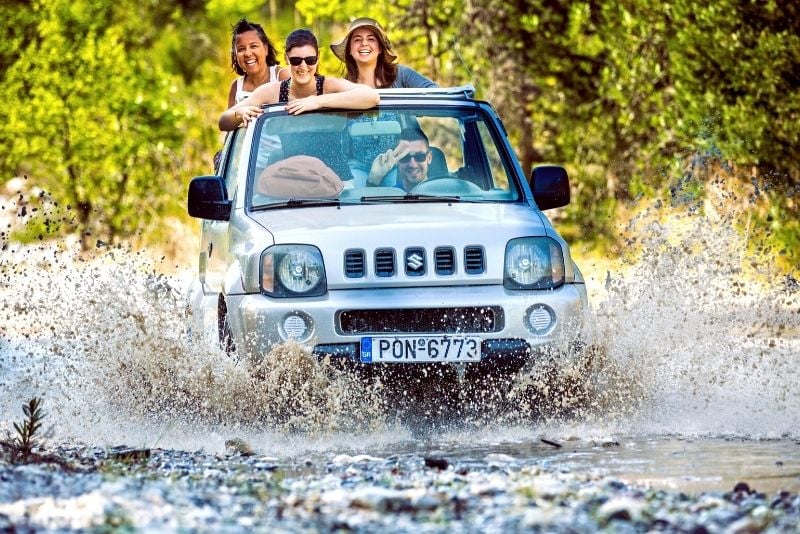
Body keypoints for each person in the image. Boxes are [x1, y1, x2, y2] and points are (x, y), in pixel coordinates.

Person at [219, 29, 380, 131]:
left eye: (310, 60)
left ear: (317, 59)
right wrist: (238, 114)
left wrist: (317, 101)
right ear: (287, 59)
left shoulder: (328, 85)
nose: (303, 66)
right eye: (296, 60)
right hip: (290, 174)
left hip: (336, 176)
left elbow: (371, 97)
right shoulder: (272, 91)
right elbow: (223, 122)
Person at [330, 17, 438, 89]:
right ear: (349, 50)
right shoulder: (343, 87)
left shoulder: (401, 75)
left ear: (380, 48)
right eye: (357, 39)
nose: (364, 43)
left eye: (371, 39)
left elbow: (435, 93)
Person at [227, 18, 288, 108]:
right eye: (241, 49)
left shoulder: (281, 76)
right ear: (235, 55)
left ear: (265, 49)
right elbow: (227, 120)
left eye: (253, 46)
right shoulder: (236, 87)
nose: (248, 53)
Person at [367, 128, 432, 191]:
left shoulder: (440, 194)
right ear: (397, 160)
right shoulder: (391, 195)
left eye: (419, 156)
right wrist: (374, 178)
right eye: (405, 157)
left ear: (429, 158)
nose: (413, 165)